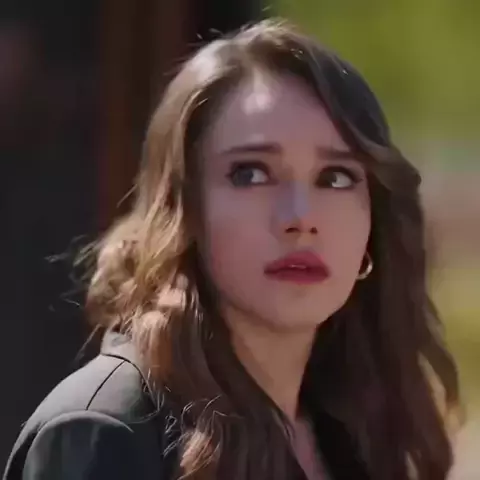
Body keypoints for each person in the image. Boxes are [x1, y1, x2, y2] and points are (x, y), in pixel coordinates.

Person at [3, 19, 461, 480]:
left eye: (335, 177)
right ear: (184, 210)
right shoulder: (105, 432)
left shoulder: (355, 432)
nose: (300, 218)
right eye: (251, 174)